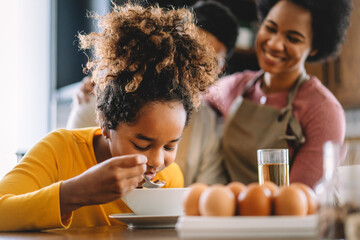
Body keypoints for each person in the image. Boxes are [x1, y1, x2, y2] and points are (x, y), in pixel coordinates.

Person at [0, 3, 218, 231]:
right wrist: (76, 192)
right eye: (142, 145)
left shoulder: (170, 178)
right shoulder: (58, 151)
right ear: (105, 123)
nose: (156, 161)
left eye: (170, 146)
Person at [66, 0, 239, 186]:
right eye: (191, 49)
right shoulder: (100, 103)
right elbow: (72, 170)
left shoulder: (210, 125)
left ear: (220, 69)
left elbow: (205, 196)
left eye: (210, 61)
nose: (194, 62)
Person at [206, 0, 352, 188]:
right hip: (226, 214)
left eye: (293, 38)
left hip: (283, 216)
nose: (275, 44)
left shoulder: (323, 111)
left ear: (314, 47)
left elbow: (296, 200)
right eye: (270, 28)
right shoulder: (235, 87)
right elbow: (192, 100)